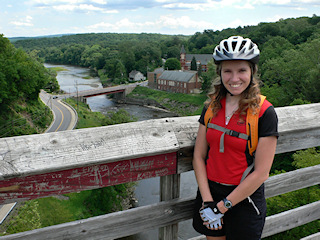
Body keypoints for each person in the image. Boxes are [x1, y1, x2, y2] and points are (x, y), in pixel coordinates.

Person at [192, 36, 279, 240]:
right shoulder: (211, 107)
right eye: (227, 71)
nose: (234, 78)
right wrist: (208, 202)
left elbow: (261, 173)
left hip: (244, 199)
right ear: (220, 73)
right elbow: (199, 156)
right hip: (210, 194)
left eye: (241, 70)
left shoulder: (264, 113)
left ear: (252, 72)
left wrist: (222, 207)